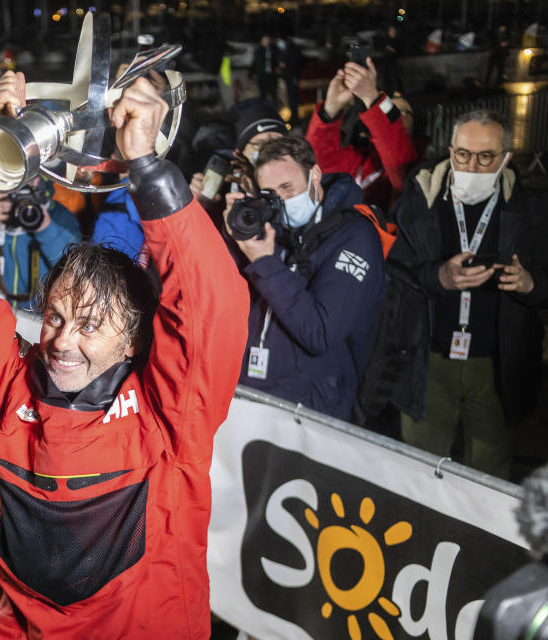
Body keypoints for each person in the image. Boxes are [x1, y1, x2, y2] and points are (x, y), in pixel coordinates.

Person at [0, 71, 248, 639]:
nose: (64, 341)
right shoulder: (2, 387)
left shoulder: (169, 415)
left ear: (134, 339)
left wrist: (145, 167)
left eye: (92, 325)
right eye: (56, 317)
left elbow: (208, 305)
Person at [390, 110, 548, 479]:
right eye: (462, 154)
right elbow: (391, 278)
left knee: (489, 476)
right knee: (420, 471)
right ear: (450, 151)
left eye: (485, 156)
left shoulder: (533, 210)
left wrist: (532, 284)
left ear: (506, 158)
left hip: (497, 368)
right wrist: (437, 277)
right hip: (427, 362)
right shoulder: (418, 204)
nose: (472, 166)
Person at [225, 136, 382, 421]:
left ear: (315, 174)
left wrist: (263, 261)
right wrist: (235, 232)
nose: (282, 201)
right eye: (270, 193)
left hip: (310, 410)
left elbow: (319, 333)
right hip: (252, 397)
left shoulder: (356, 236)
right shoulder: (272, 226)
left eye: (288, 187)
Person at [305, 57, 418, 210]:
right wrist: (330, 109)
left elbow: (397, 159)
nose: (396, 118)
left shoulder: (416, 167)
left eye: (404, 112)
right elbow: (318, 164)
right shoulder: (358, 159)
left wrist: (371, 98)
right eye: (389, 111)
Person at [0, 177, 81, 307]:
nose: (25, 185)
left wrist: (45, 228)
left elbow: (74, 269)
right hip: (1, 308)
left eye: (31, 178)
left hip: (38, 313)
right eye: (19, 179)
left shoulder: (59, 215)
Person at [249, 35, 280, 103]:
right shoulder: (259, 50)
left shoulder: (273, 49)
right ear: (261, 41)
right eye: (264, 40)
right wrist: (250, 73)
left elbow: (276, 60)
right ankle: (264, 109)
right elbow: (255, 62)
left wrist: (277, 68)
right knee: (263, 93)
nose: (266, 41)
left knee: (273, 92)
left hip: (271, 75)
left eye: (267, 40)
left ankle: (274, 109)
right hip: (262, 74)